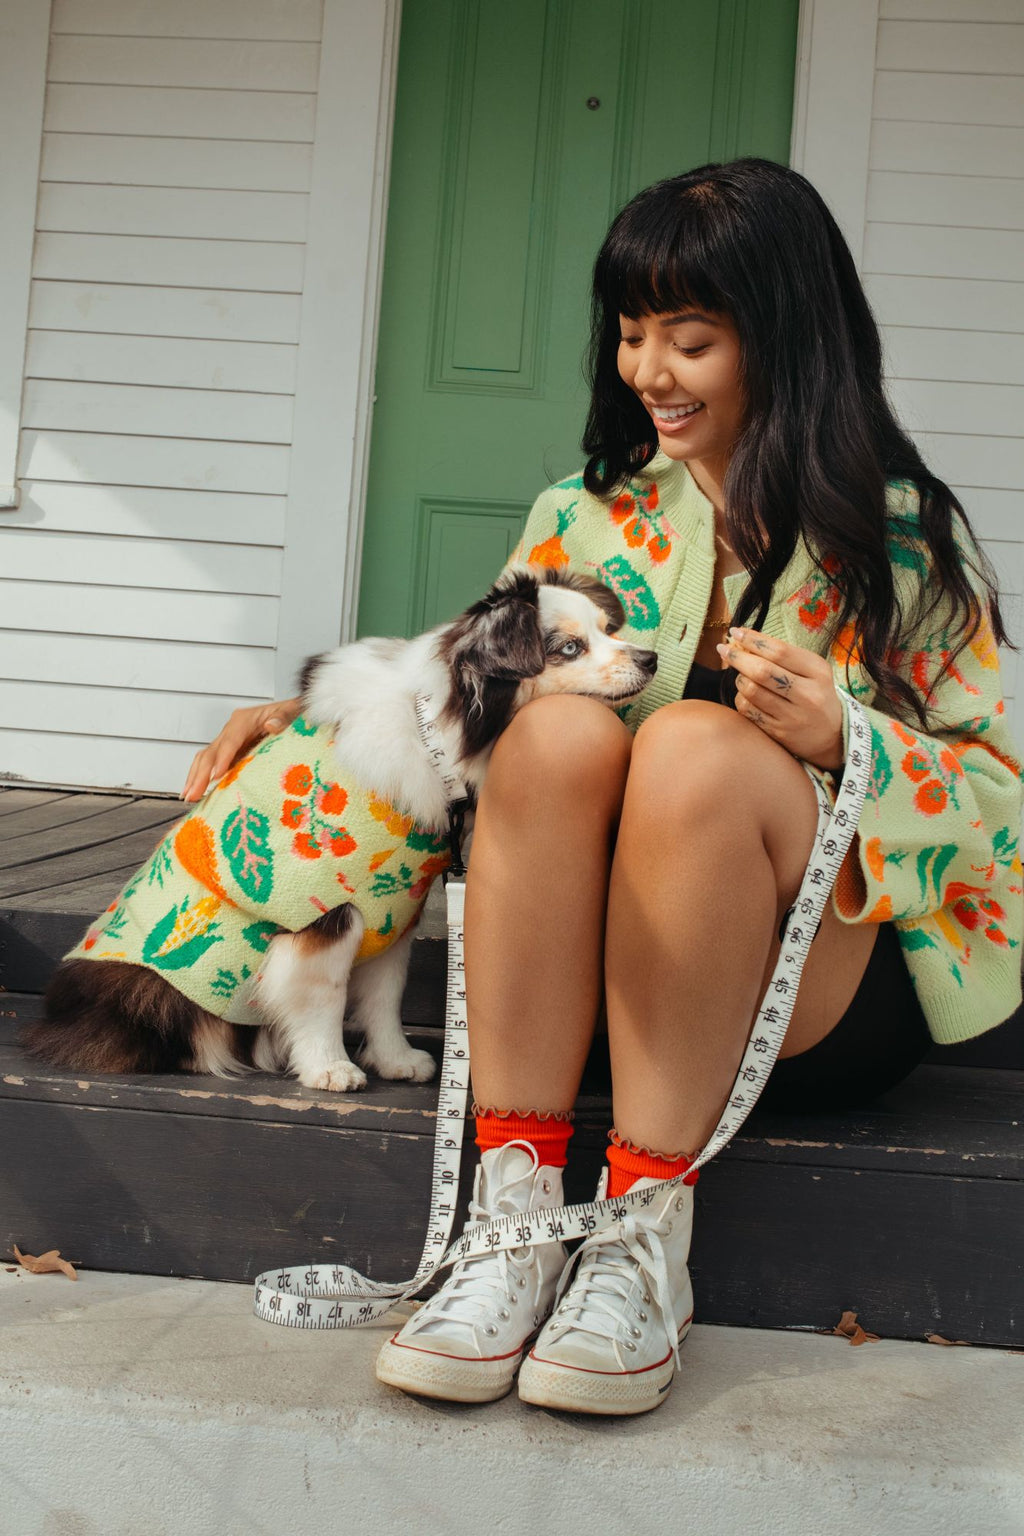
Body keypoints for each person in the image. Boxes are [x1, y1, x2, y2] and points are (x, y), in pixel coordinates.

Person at [185, 159, 1022, 1416]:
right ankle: (516, 1217)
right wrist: (309, 709)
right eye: (632, 335)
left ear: (785, 340)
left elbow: (997, 793)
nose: (648, 372)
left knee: (689, 746)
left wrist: (845, 733)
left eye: (690, 339)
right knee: (551, 737)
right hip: (589, 994)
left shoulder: (898, 537)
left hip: (812, 1003)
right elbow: (462, 688)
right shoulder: (582, 512)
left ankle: (639, 1239)